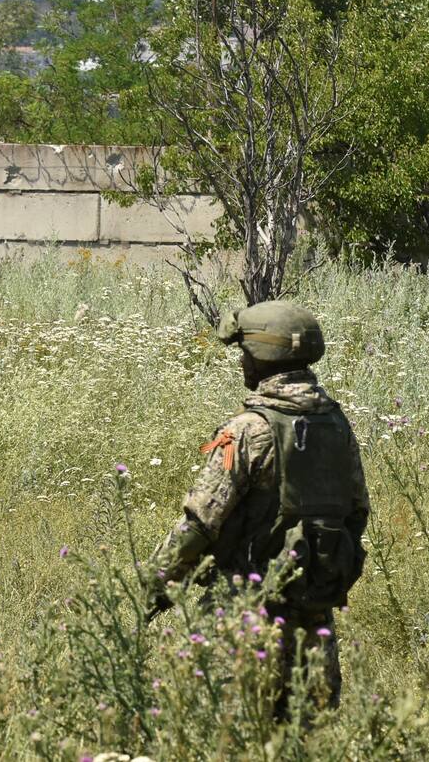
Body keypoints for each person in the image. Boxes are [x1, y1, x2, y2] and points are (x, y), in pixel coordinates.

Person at [145, 300, 369, 719]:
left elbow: (198, 526)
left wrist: (150, 588)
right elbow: (356, 515)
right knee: (304, 738)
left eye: (245, 353)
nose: (243, 363)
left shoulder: (249, 430)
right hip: (312, 622)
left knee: (232, 733)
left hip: (243, 617)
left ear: (264, 358)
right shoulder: (337, 426)